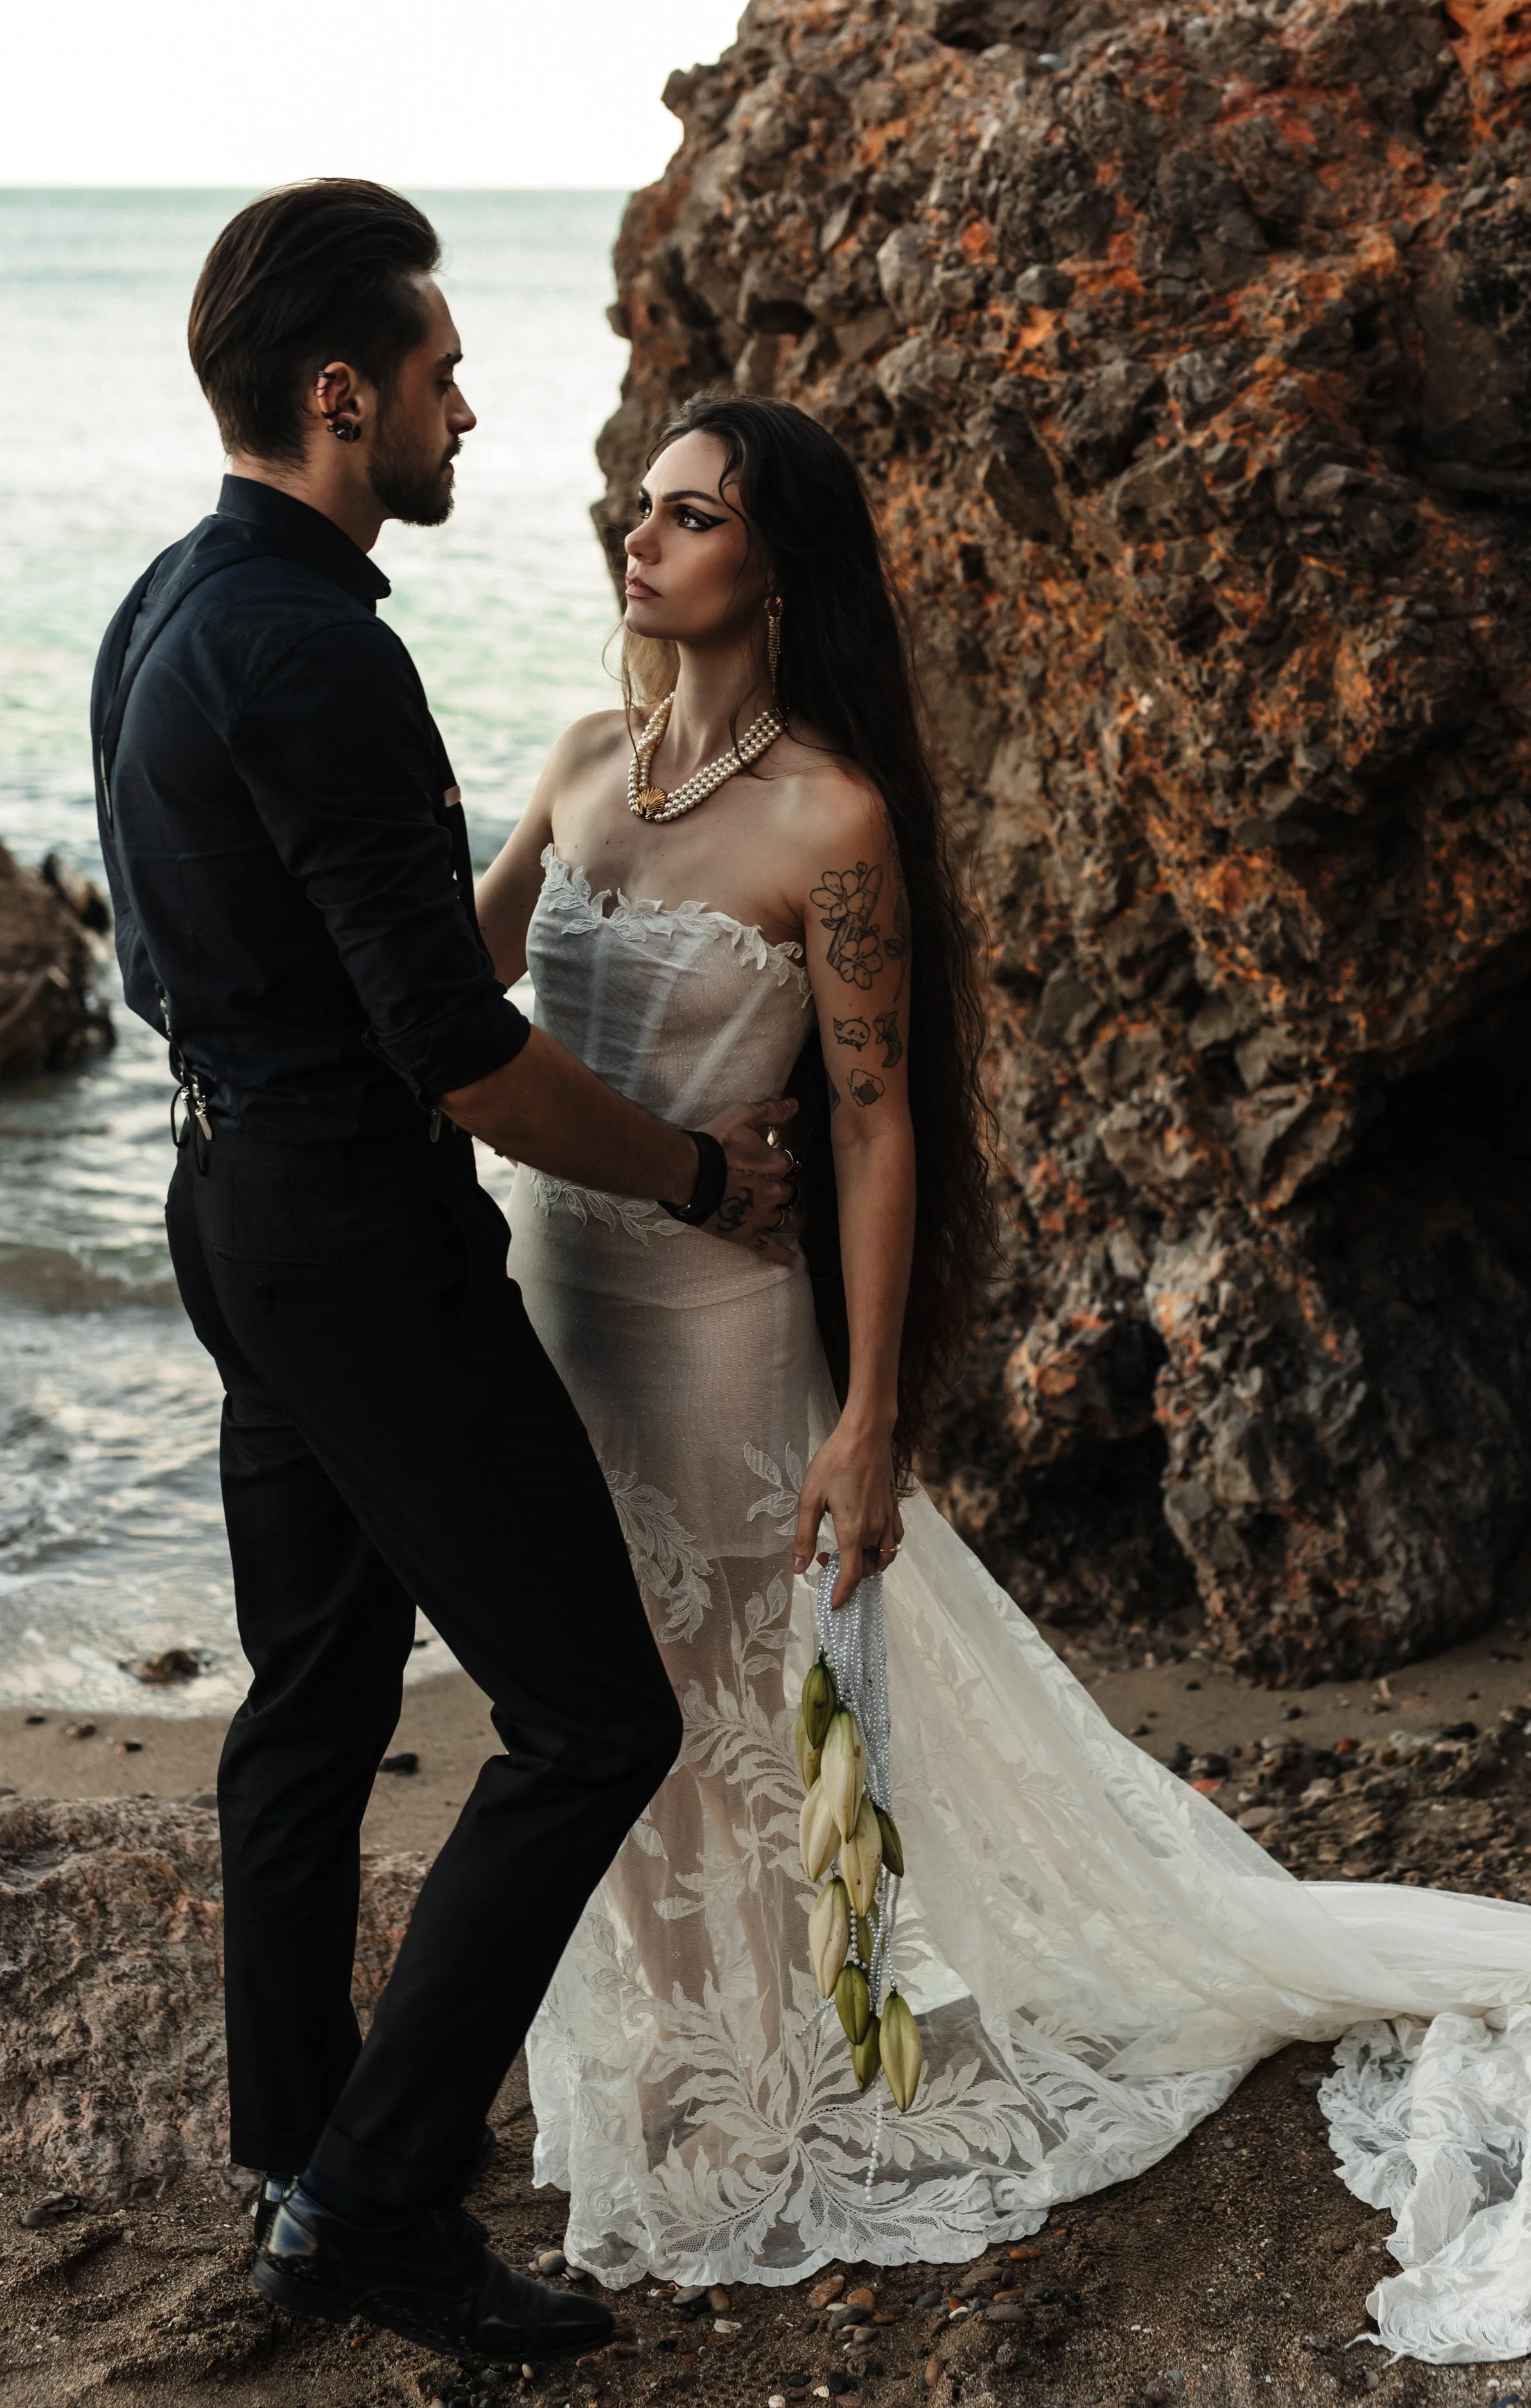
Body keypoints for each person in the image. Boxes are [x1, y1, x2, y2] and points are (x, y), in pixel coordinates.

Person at [476, 392, 1531, 2364]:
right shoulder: (581, 758)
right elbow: (443, 980)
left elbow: (875, 1126)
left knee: (750, 1726)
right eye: (634, 506)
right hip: (551, 1320)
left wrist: (865, 1417)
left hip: (729, 1346)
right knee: (596, 1709)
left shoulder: (834, 818)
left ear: (777, 563)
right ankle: (672, 2059)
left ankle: (790, 2079)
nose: (632, 539)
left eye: (686, 515)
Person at [91, 182, 800, 2369]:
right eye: (437, 374)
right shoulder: (319, 642)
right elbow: (467, 1056)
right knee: (590, 1715)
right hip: (353, 1239)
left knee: (308, 1700)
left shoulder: (158, 606)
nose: (468, 410)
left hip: (228, 1202)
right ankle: (374, 2199)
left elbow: (177, 964)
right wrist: (696, 1171)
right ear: (339, 396)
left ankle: (298, 2134)